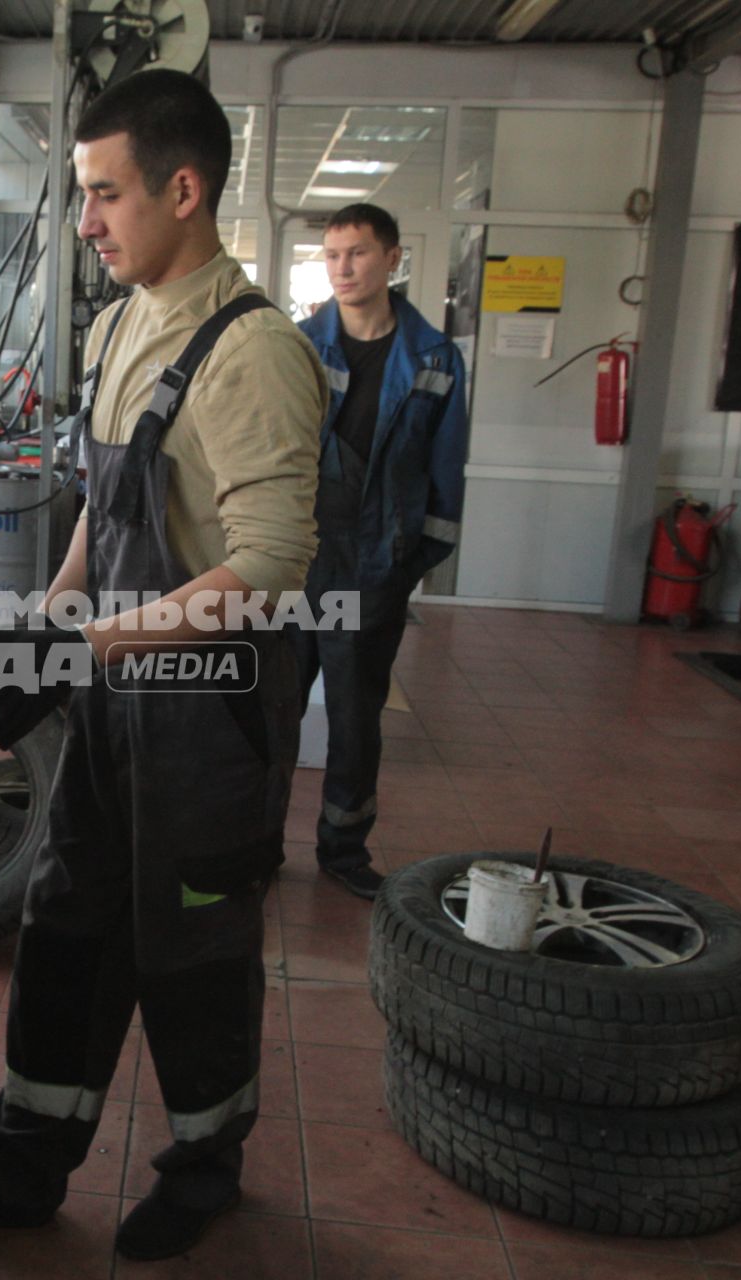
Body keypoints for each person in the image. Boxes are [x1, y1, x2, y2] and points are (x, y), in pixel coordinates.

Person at [0, 69, 326, 1261]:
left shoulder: (253, 354)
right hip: (116, 698)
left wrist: (82, 643)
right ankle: (22, 1166)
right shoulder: (118, 322)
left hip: (212, 719)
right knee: (67, 921)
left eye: (104, 194)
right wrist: (51, 620)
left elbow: (272, 567)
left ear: (182, 191)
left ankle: (204, 1165)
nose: (85, 221)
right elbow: (104, 496)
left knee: (192, 944)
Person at [294, 203, 469, 899]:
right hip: (297, 558)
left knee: (354, 716)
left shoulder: (433, 356)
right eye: (332, 255)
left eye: (358, 253)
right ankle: (249, 842)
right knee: (267, 706)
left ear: (393, 259)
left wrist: (404, 566)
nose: (343, 268)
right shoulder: (299, 345)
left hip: (371, 568)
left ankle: (342, 849)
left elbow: (446, 471)